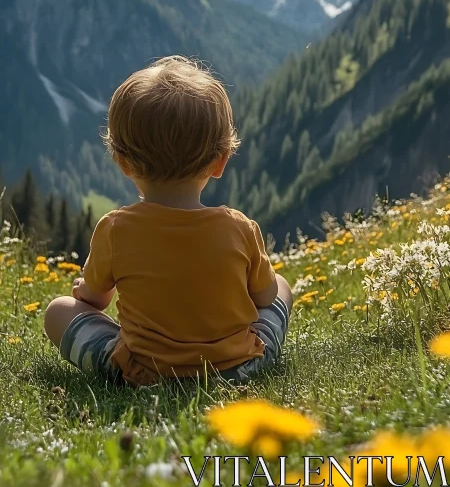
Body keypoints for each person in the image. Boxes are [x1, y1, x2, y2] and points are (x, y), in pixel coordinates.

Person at [44, 56, 293, 386]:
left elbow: (95, 299)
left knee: (58, 310)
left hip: (146, 374)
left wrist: (83, 289)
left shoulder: (116, 229)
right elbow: (264, 297)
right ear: (220, 162)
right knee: (283, 288)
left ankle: (123, 370)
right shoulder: (240, 228)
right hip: (238, 369)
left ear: (123, 163)